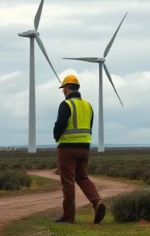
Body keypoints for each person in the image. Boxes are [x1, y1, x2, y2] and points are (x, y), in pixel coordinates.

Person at [53, 74, 106, 224]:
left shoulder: (66, 104)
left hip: (68, 149)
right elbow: (89, 125)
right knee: (82, 177)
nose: (63, 91)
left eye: (63, 88)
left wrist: (56, 136)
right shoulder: (88, 105)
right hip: (84, 148)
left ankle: (68, 217)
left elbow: (60, 124)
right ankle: (97, 202)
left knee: (68, 181)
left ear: (67, 88)